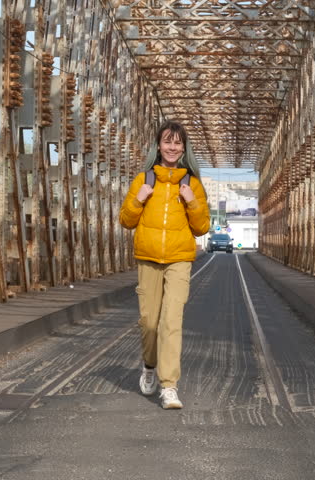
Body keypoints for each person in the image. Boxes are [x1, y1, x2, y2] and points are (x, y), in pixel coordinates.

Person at [119, 121, 210, 409]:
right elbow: (126, 221)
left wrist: (192, 202)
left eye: (177, 142)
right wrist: (139, 199)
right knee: (149, 323)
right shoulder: (144, 180)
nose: (172, 147)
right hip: (148, 258)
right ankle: (149, 366)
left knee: (172, 322)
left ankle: (169, 386)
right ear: (158, 146)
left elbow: (202, 228)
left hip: (179, 259)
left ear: (184, 148)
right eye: (167, 142)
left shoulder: (192, 183)